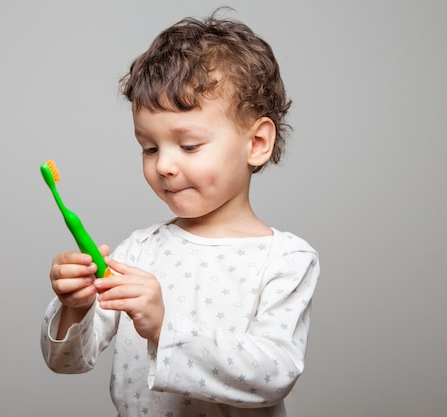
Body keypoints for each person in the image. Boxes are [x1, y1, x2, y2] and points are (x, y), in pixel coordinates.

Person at [40, 10, 320, 417]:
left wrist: (164, 327)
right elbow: (66, 362)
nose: (164, 166)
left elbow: (274, 375)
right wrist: (74, 307)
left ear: (257, 142)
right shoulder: (138, 251)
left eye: (188, 146)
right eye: (149, 148)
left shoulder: (286, 261)